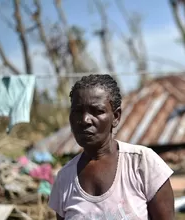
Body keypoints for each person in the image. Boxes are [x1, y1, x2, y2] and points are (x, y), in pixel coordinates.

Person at [48, 74, 175, 220]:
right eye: (77, 111)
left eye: (97, 111)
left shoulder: (142, 163)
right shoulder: (65, 179)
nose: (85, 120)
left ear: (116, 117)